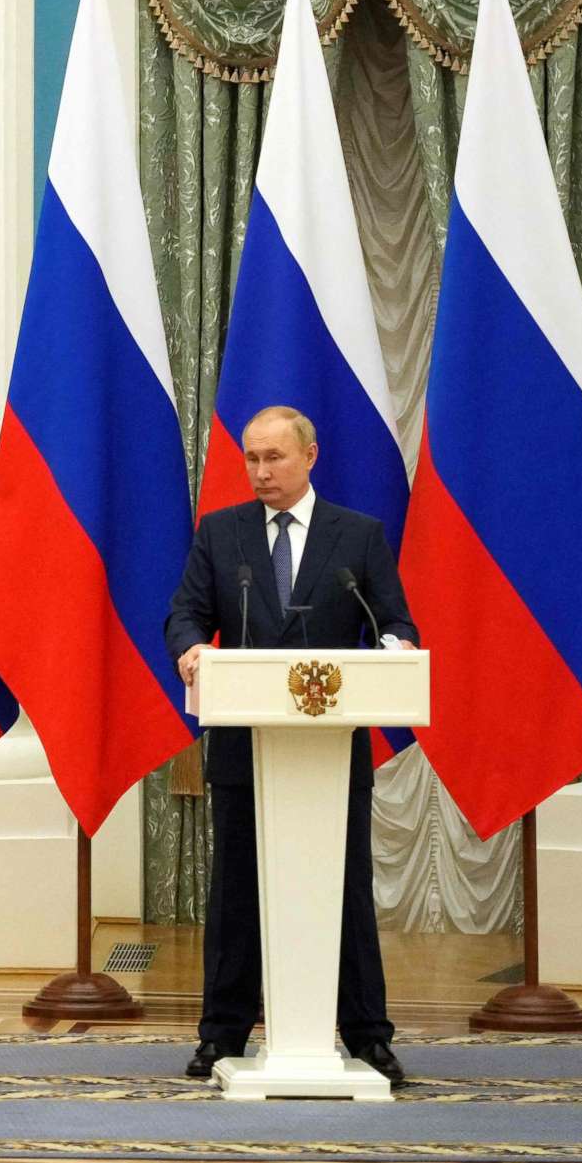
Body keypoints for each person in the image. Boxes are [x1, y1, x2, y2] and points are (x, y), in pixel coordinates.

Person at [164, 404, 415, 1089]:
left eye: (274, 457)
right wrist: (190, 648)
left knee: (346, 897)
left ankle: (368, 1036)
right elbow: (186, 611)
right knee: (237, 895)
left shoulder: (358, 536)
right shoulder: (222, 535)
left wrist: (396, 649)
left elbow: (392, 622)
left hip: (332, 757)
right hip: (248, 750)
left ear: (311, 457)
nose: (261, 471)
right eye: (251, 458)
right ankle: (222, 1037)